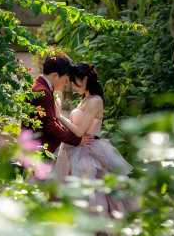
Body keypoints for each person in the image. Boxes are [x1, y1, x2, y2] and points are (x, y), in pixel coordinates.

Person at [52, 62, 133, 218]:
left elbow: (80, 131)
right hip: (76, 148)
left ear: (86, 79)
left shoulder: (95, 101)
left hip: (88, 151)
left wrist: (59, 116)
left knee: (93, 196)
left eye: (76, 82)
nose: (74, 86)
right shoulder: (85, 98)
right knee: (77, 193)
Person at [20, 53, 95, 159]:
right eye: (66, 79)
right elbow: (50, 126)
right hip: (37, 150)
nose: (66, 83)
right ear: (55, 76)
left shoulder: (40, 85)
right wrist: (77, 140)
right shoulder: (43, 92)